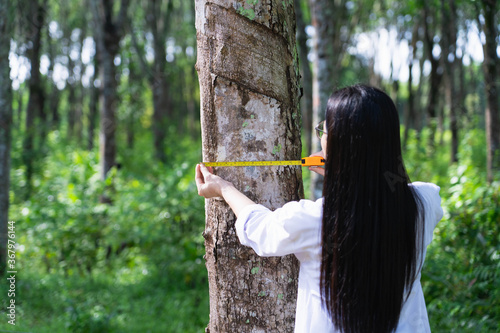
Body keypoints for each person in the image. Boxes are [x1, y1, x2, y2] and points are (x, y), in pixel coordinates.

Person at [195, 84, 443, 333]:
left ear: (339, 146)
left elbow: (262, 229)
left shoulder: (317, 220)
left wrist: (224, 189)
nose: (321, 137)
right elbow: (389, 186)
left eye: (323, 131)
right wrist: (350, 173)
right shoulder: (424, 204)